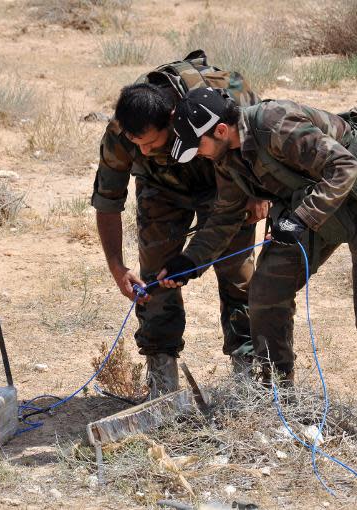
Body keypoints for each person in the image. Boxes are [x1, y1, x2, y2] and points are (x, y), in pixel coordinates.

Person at [159, 87, 357, 460]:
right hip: (313, 208)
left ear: (220, 131)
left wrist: (300, 219)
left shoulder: (275, 123)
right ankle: (279, 395)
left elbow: (344, 167)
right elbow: (226, 216)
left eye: (197, 145)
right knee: (265, 292)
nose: (197, 154)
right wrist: (189, 262)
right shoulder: (228, 158)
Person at [91, 53, 268, 398]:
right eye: (137, 145)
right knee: (156, 275)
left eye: (153, 143)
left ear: (173, 119)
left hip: (225, 180)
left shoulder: (223, 93)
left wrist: (258, 190)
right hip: (162, 189)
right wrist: (116, 267)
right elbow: (107, 202)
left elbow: (256, 128)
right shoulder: (122, 132)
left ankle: (247, 377)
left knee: (236, 271)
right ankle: (163, 380)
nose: (144, 149)